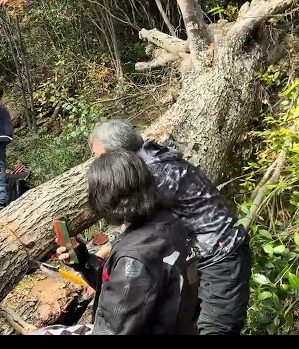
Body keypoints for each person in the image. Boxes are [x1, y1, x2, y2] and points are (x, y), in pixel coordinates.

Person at [89, 119, 252, 335]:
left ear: (121, 156)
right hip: (193, 259)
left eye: (102, 158)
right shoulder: (149, 159)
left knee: (215, 330)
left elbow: (136, 232)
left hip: (221, 259)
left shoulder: (156, 174)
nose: (99, 165)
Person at [35, 149, 198, 335]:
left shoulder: (136, 256)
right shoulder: (167, 223)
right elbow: (129, 290)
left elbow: (114, 325)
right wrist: (84, 260)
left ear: (107, 199)